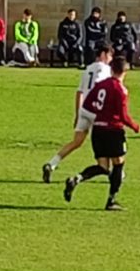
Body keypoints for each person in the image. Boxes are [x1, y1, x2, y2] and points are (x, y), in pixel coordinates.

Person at [63, 56, 140, 212]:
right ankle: (111, 201)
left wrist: (99, 114)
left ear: (112, 69)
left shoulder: (100, 85)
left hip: (98, 130)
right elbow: (123, 115)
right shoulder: (121, 90)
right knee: (118, 164)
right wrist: (135, 126)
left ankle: (76, 179)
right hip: (113, 131)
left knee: (103, 167)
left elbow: (87, 103)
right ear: (125, 71)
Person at [42, 43, 114, 184]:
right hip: (96, 111)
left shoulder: (87, 69)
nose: (111, 59)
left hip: (84, 110)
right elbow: (101, 87)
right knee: (108, 139)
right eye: (110, 55)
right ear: (104, 54)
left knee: (77, 142)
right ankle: (114, 172)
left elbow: (79, 92)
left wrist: (77, 113)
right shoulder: (105, 69)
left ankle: (51, 164)